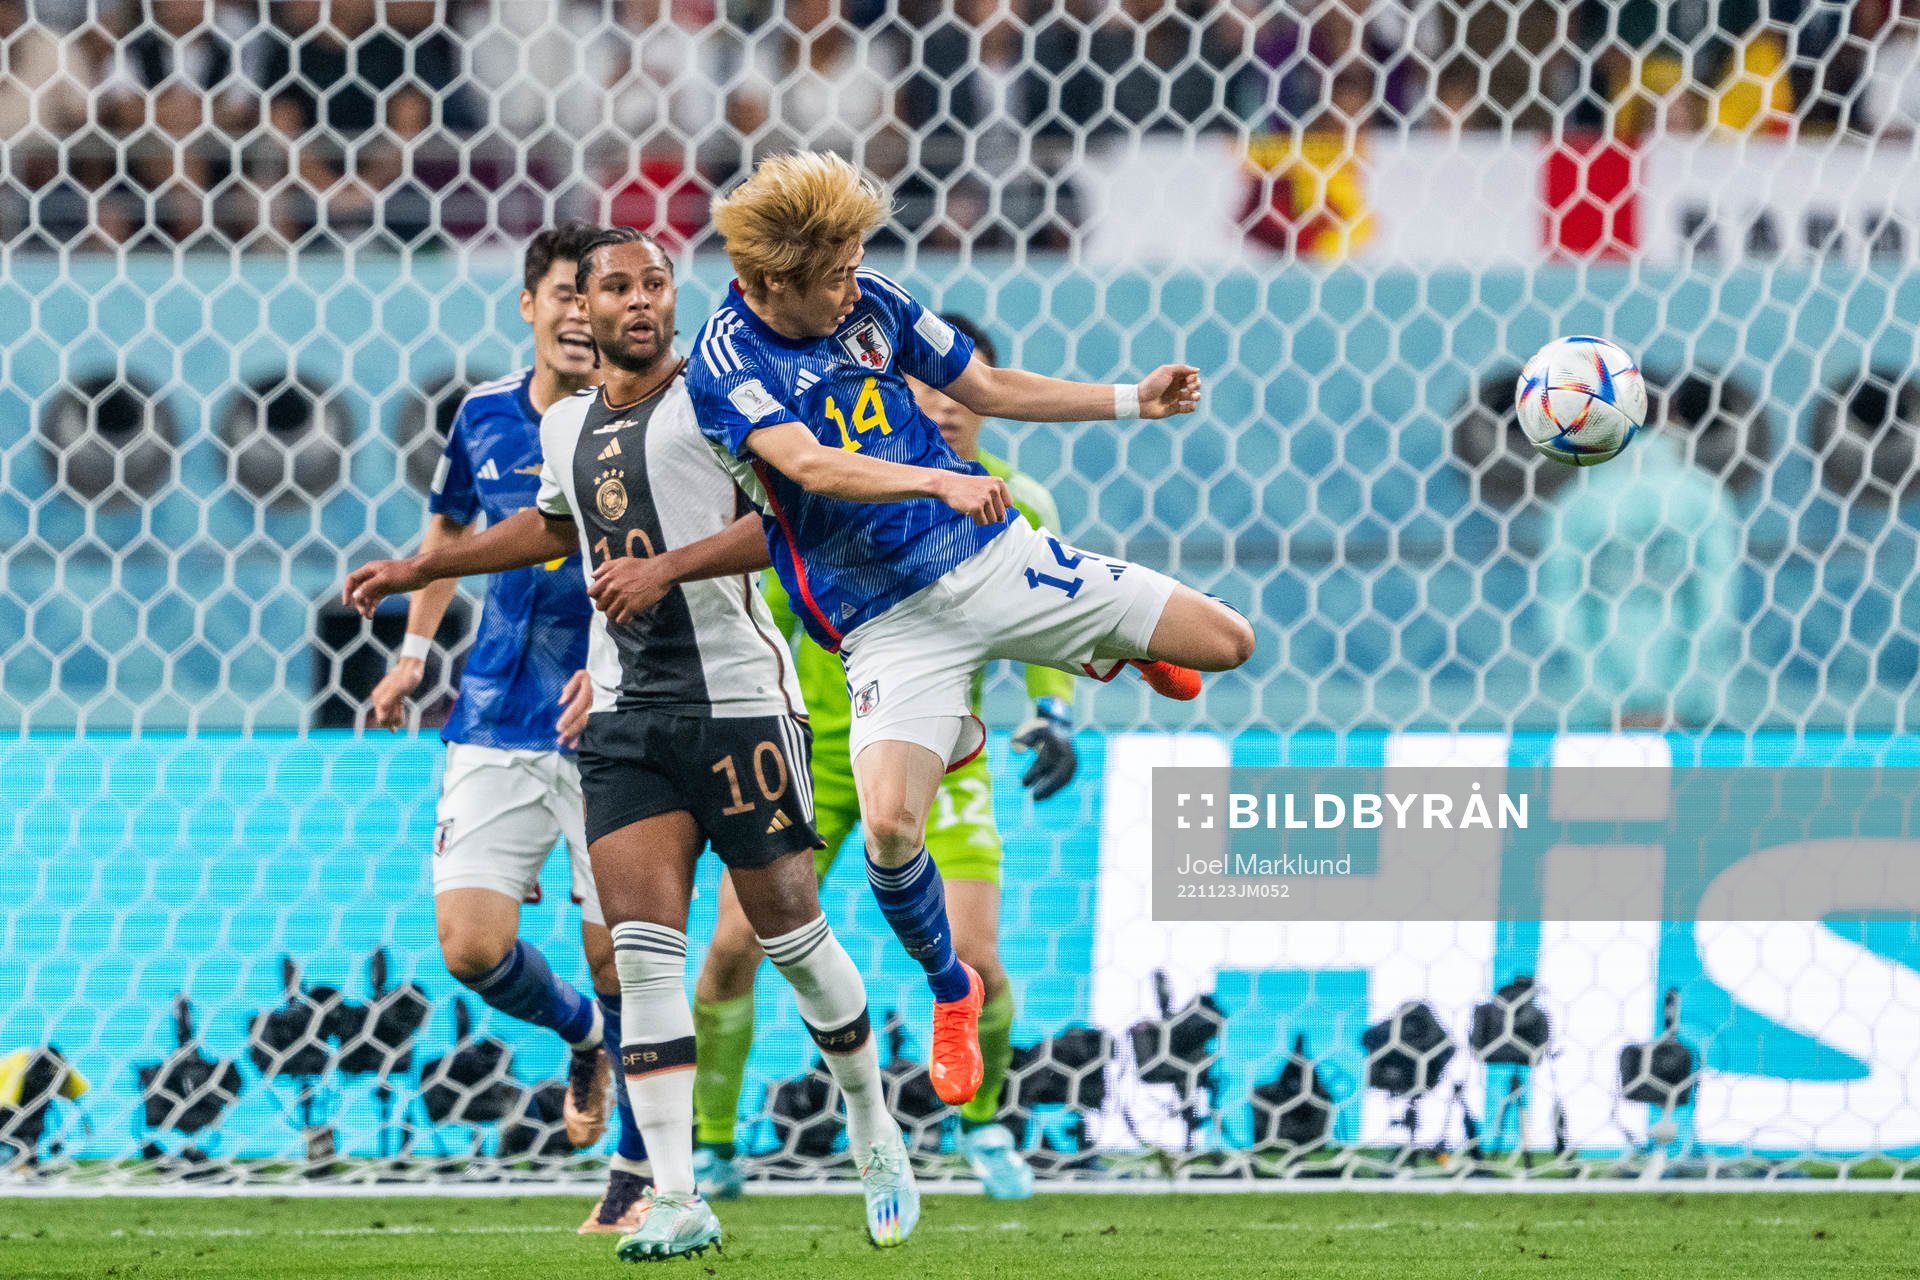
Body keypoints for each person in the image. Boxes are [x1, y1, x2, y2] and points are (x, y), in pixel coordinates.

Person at [345, 228, 996, 1257]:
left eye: (655, 282)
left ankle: (874, 1122)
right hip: (622, 717)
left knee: (790, 936)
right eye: (616, 285)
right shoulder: (559, 428)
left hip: (739, 702)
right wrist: (423, 568)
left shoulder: (721, 395)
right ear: (581, 309)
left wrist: (666, 569)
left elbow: (787, 518)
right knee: (648, 960)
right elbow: (555, 529)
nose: (639, 299)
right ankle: (678, 1191)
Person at [659, 150, 1255, 1112]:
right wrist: (938, 478)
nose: (855, 284)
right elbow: (810, 466)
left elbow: (985, 385)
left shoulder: (872, 301)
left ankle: (1115, 647)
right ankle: (951, 991)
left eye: (857, 263)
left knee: (1227, 642)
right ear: (775, 281)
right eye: (836, 273)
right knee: (895, 831)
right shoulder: (727, 362)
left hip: (991, 558)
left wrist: (1129, 401)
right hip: (887, 624)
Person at [689, 314, 1075, 1201]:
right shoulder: (831, 489)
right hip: (817, 753)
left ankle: (983, 1133)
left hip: (945, 756)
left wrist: (1054, 716)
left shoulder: (1018, 498)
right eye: (923, 388)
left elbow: (1048, 612)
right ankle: (712, 1146)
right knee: (733, 951)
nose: (941, 406)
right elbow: (771, 620)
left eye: (958, 388)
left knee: (976, 960)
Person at [361, 223, 651, 1234]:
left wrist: (617, 671)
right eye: (564, 292)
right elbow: (447, 533)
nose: (582, 309)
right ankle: (581, 1037)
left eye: (598, 292)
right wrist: (411, 653)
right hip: (491, 710)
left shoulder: (648, 423)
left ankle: (636, 1166)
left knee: (622, 955)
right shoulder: (481, 415)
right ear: (529, 306)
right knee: (472, 948)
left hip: (614, 719)